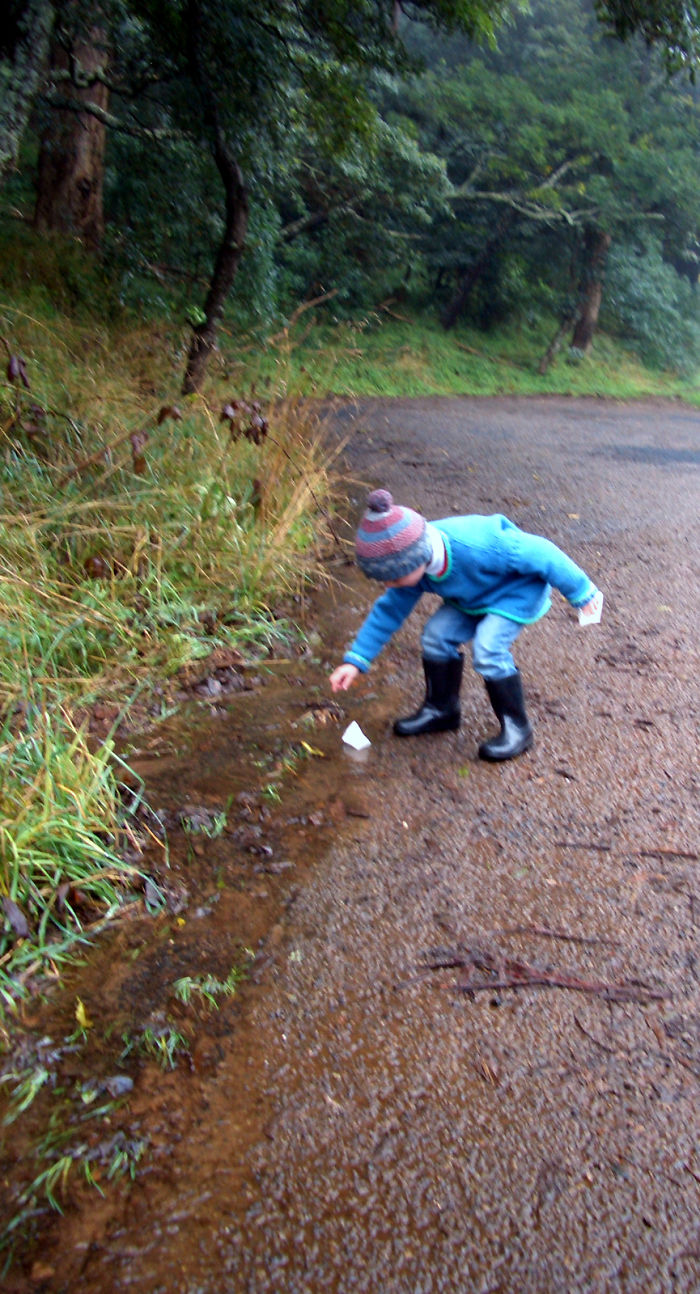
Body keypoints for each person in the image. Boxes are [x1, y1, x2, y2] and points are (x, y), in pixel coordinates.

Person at [329, 488, 603, 761]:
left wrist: (581, 592)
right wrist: (356, 660)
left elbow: (543, 552)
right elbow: (388, 612)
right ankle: (441, 709)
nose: (390, 585)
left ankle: (517, 728)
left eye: (394, 579)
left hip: (514, 594)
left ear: (415, 559)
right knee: (436, 635)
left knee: (488, 647)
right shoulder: (411, 562)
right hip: (471, 599)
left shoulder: (480, 545)